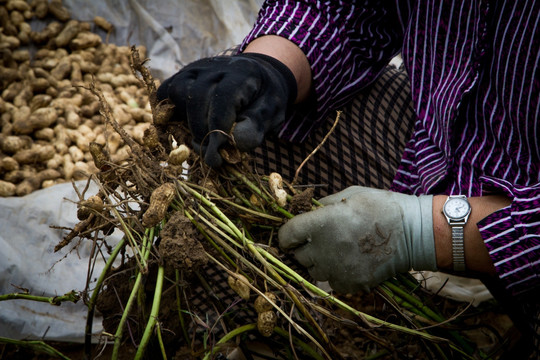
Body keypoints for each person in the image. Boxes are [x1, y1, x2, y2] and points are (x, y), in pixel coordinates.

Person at [157, 1, 539, 358]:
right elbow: (349, 9)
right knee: (244, 125)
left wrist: (421, 230)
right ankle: (208, 340)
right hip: (454, 144)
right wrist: (272, 68)